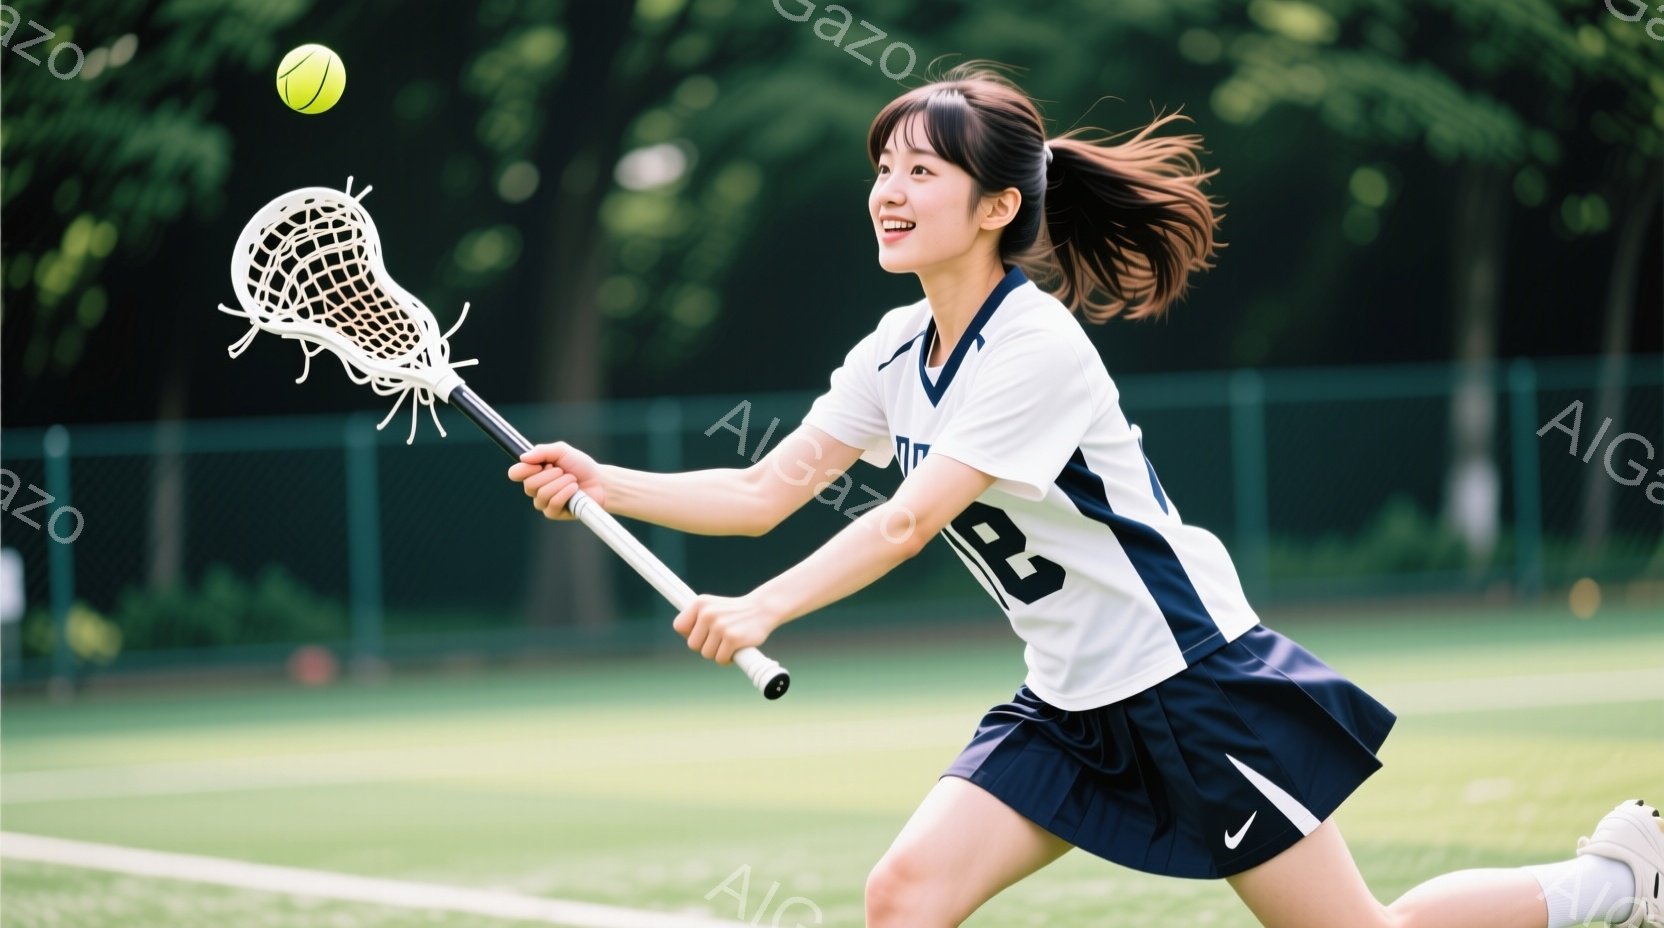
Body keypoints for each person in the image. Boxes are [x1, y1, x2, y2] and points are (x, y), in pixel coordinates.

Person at [509, 63, 1661, 928]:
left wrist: (760, 609)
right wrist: (601, 478)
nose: (886, 192)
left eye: (920, 171)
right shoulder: (891, 347)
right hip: (1065, 699)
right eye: (882, 168)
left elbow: (910, 519)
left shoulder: (1032, 345)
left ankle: (1605, 882)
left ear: (996, 206)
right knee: (901, 894)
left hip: (1187, 679)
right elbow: (767, 487)